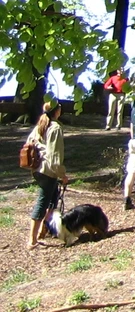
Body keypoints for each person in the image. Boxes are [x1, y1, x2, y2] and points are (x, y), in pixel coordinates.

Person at [26, 98, 67, 248]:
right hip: (47, 171)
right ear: (57, 111)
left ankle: (42, 231)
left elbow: (30, 143)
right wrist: (62, 175)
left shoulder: (41, 125)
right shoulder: (55, 128)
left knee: (53, 200)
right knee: (43, 202)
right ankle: (32, 240)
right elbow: (55, 156)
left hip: (37, 169)